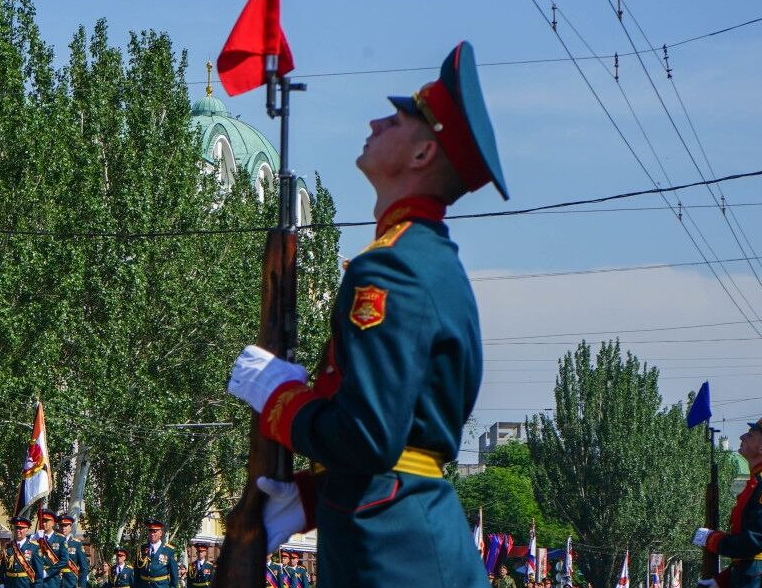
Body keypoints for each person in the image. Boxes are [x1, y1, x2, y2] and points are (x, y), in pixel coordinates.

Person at [226, 42, 508, 587]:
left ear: (423, 155)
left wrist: (280, 400)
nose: (377, 120)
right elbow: (404, 439)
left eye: (398, 117)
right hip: (397, 536)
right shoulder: (430, 262)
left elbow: (370, 436)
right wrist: (308, 496)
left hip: (395, 555)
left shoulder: (392, 269)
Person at [698, 403, 762, 587]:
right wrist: (721, 581)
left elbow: (757, 540)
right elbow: (750, 558)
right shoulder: (757, 483)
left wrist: (713, 540)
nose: (742, 437)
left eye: (750, 435)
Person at [0, 517, 41, 588]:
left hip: (25, 584)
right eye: (17, 528)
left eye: (21, 528)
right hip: (9, 584)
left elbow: (39, 572)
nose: (18, 530)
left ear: (27, 529)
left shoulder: (33, 547)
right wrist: (1, 583)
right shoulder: (8, 547)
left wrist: (37, 586)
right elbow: (2, 568)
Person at [133, 520, 176, 588]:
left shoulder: (169, 550)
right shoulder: (141, 549)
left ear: (161, 533)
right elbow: (136, 572)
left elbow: (174, 575)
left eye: (155, 531)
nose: (152, 534)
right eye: (150, 531)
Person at [34, 510, 65, 588]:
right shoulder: (35, 538)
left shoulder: (60, 539)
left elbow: (64, 560)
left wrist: (47, 572)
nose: (43, 523)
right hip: (35, 577)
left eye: (46, 521)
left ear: (53, 522)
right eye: (42, 521)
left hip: (52, 579)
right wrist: (34, 538)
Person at [56, 515, 86, 588]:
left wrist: (81, 585)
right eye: (61, 525)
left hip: (71, 582)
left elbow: (83, 567)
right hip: (55, 580)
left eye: (66, 525)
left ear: (71, 527)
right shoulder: (53, 543)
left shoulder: (76, 544)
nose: (63, 528)